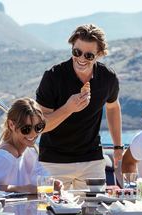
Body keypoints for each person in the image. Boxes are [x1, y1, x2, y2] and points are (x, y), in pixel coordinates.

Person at [36, 24, 123, 190]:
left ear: (99, 55)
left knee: (95, 214)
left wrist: (118, 146)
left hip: (92, 160)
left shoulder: (107, 78)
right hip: (54, 161)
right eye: (77, 52)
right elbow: (41, 126)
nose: (81, 59)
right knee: (51, 213)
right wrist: (69, 108)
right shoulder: (53, 77)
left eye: (89, 55)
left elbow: (113, 107)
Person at [0, 97, 51, 193]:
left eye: (38, 127)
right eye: (26, 129)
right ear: (11, 125)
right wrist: (19, 189)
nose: (33, 134)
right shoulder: (5, 155)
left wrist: (52, 184)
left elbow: (40, 176)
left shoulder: (30, 150)